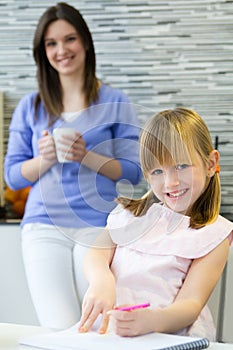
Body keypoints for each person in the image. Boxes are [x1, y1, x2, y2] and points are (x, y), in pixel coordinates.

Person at [4, 2, 142, 330]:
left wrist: (86, 156)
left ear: (86, 43)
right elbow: (11, 177)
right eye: (51, 43)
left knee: (97, 326)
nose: (61, 50)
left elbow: (135, 172)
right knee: (58, 326)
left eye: (70, 39)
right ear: (43, 52)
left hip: (97, 227)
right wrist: (46, 158)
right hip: (43, 226)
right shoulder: (31, 106)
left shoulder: (115, 101)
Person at [78, 107, 233, 341]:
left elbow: (191, 303)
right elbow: (96, 253)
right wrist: (101, 280)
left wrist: (151, 321)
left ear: (210, 164)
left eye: (181, 166)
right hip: (113, 333)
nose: (170, 182)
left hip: (170, 337)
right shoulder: (131, 215)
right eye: (158, 171)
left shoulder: (215, 234)